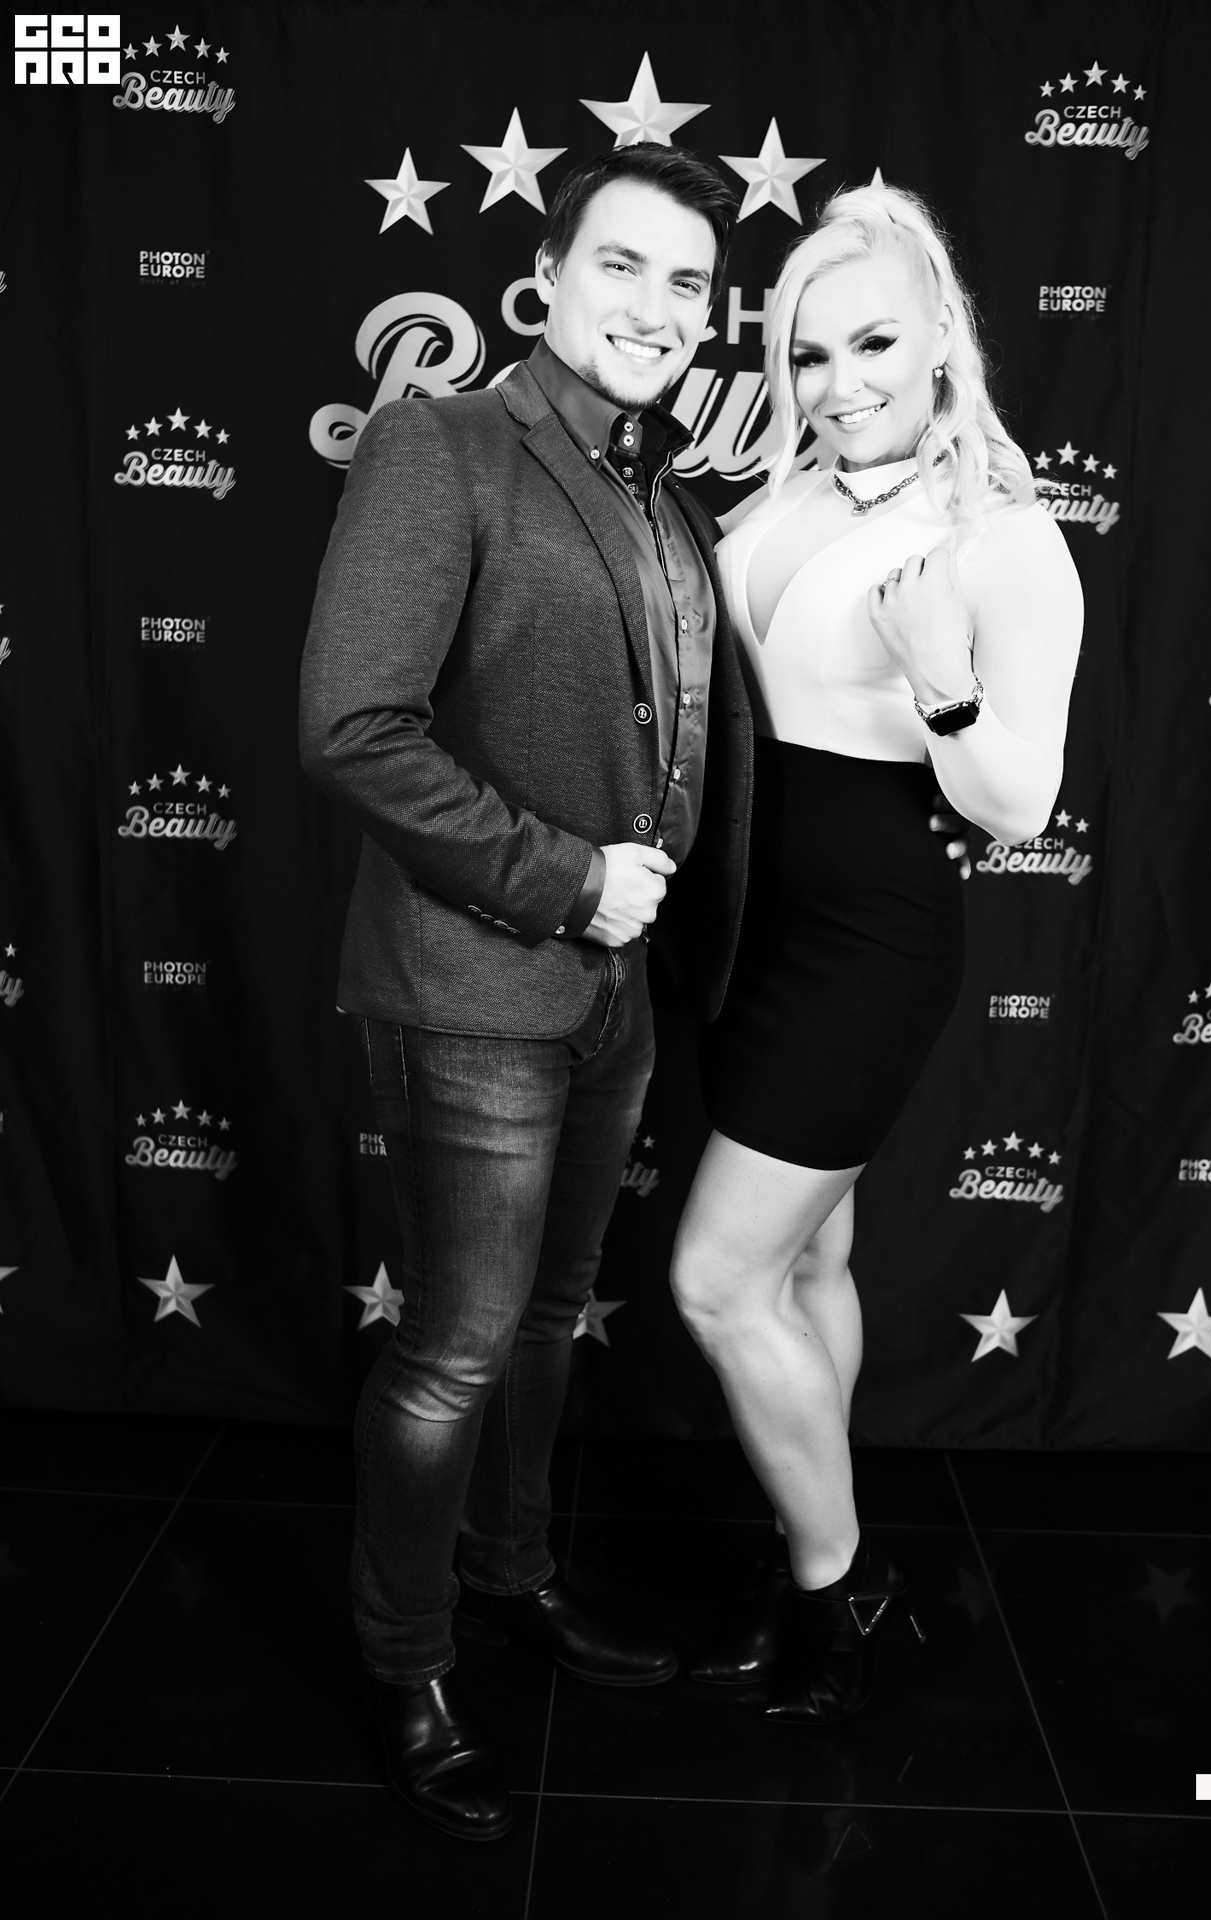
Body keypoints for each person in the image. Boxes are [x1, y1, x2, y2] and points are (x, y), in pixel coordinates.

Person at [299, 143, 750, 1838]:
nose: (657, 306)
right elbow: (354, 727)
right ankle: (403, 1659)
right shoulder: (445, 443)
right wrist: (566, 879)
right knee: (456, 1348)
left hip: (616, 996)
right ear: (548, 278)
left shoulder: (661, 491)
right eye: (622, 265)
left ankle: (510, 1573)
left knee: (551, 1320)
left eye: (689, 283)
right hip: (474, 977)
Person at [669, 180, 1083, 1725]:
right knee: (810, 1258)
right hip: (746, 926)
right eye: (809, 353)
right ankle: (813, 1543)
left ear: (943, 346)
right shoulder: (780, 499)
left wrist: (942, 678)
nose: (840, 383)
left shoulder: (1002, 538)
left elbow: (1019, 805)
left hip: (868, 939)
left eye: (874, 346)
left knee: (716, 1280)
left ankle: (839, 1588)